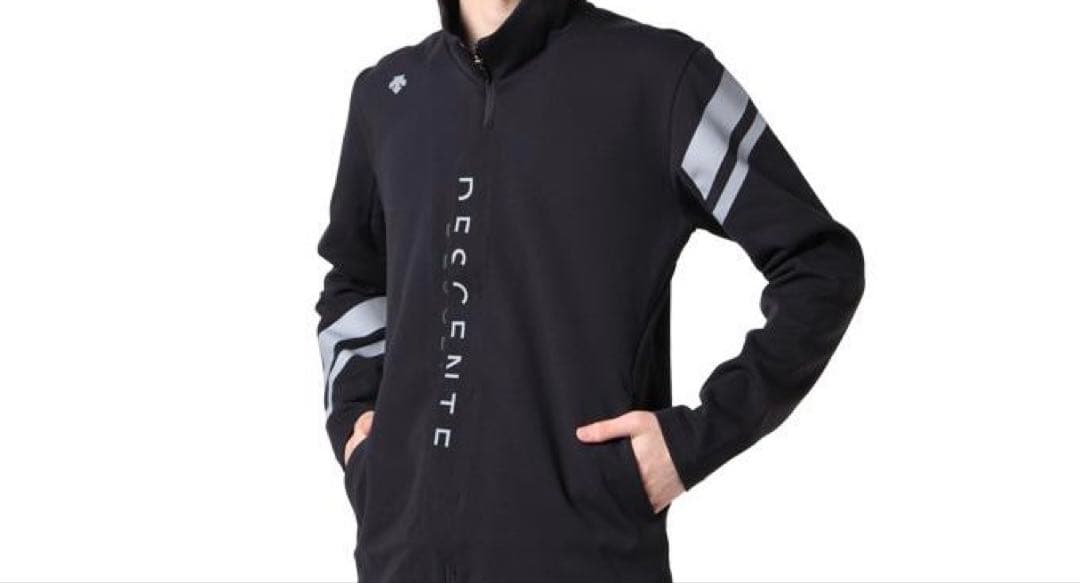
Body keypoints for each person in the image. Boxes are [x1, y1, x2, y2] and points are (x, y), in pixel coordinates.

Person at [314, 0, 865, 580]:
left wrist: (692, 445)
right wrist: (360, 432)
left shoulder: (661, 77)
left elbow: (820, 266)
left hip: (585, 551)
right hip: (402, 557)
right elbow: (353, 279)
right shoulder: (387, 95)